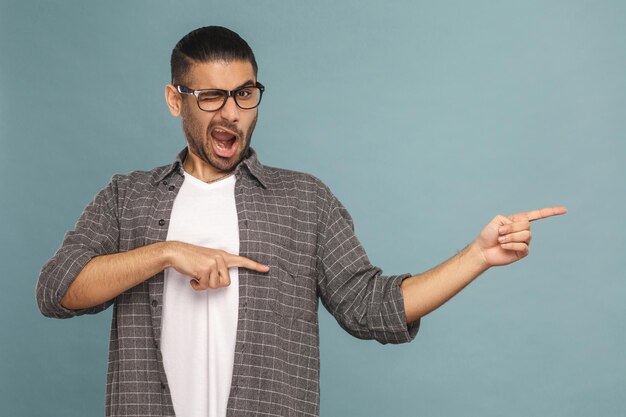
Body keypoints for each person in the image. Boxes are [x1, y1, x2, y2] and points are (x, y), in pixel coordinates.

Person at [36, 26, 567, 417]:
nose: (231, 114)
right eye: (211, 97)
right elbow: (57, 290)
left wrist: (476, 257)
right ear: (176, 101)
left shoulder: (303, 201)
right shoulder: (127, 196)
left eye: (245, 94)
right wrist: (167, 252)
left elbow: (369, 308)